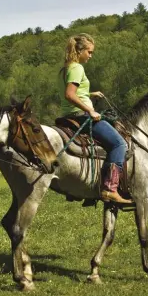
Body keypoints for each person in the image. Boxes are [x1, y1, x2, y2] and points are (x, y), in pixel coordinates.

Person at [59, 33, 132, 204]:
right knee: (119, 143)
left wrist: (90, 94)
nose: (91, 56)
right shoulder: (77, 68)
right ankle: (110, 189)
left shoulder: (65, 68)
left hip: (68, 115)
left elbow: (74, 92)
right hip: (81, 115)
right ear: (79, 51)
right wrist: (90, 110)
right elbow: (69, 94)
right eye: (89, 52)